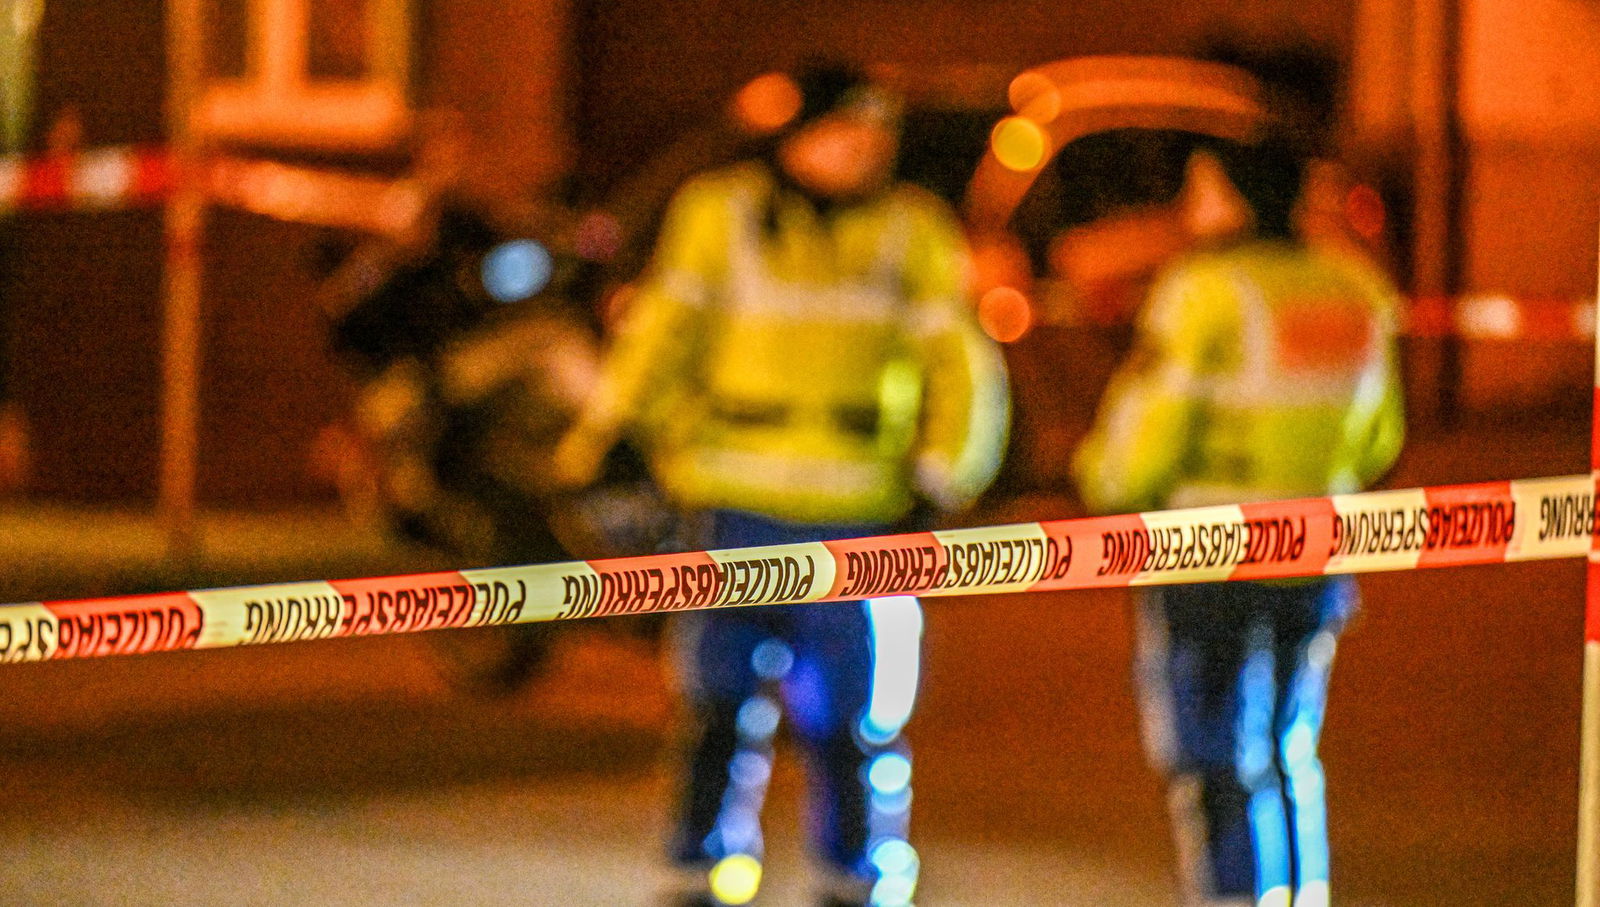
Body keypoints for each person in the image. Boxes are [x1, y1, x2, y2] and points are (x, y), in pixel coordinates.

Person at [554, 61, 1009, 907]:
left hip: (860, 511)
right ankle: (700, 869)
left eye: (878, 136)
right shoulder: (719, 212)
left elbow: (963, 362)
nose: (863, 150)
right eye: (845, 131)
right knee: (716, 703)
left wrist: (949, 474)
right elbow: (664, 329)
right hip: (732, 500)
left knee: (856, 717)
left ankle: (859, 876)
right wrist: (611, 438)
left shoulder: (914, 229)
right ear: (795, 135)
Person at [1070, 59, 1405, 907]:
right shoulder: (1354, 285)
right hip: (1319, 547)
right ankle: (1302, 893)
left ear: (1239, 195)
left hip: (1205, 549)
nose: (1191, 206)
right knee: (1292, 747)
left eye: (1203, 188)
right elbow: (1381, 435)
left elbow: (1146, 432)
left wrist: (1100, 481)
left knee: (1213, 756)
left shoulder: (1204, 290)